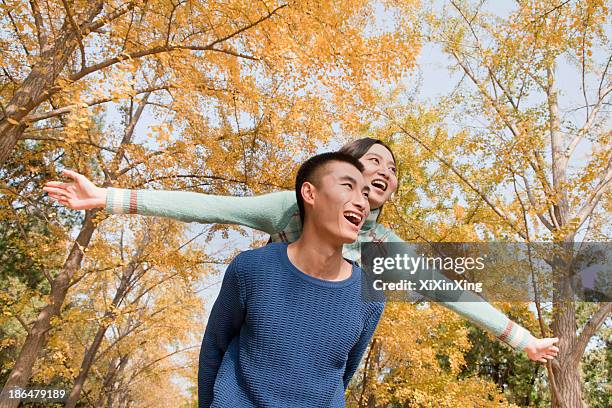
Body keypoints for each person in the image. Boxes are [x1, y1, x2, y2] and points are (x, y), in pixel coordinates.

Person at [43, 138, 559, 362]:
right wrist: (106, 198)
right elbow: (206, 205)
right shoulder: (290, 208)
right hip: (258, 343)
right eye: (372, 160)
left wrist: (522, 340)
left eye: (393, 169)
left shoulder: (382, 246)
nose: (384, 171)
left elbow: (447, 291)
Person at [199, 152, 384, 407]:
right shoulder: (251, 268)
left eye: (365, 194)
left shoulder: (370, 295)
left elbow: (342, 374)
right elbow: (213, 350)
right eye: (347, 186)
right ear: (310, 194)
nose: (362, 203)